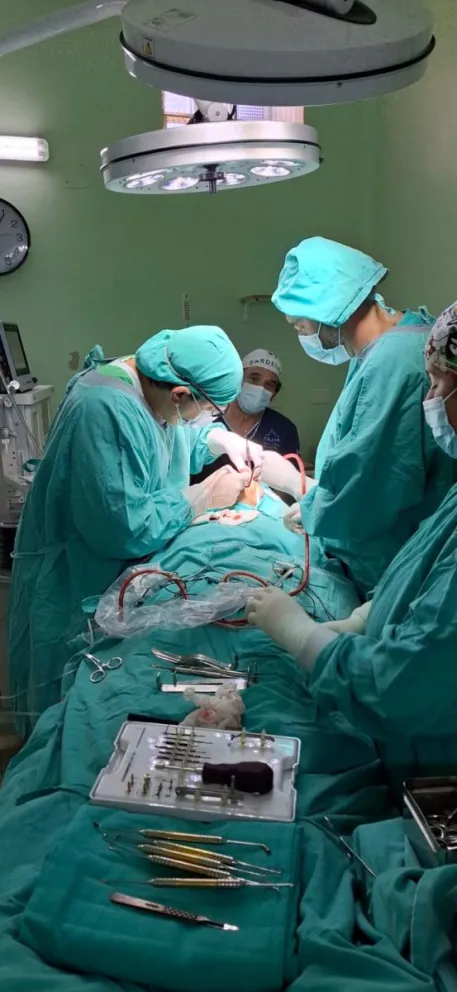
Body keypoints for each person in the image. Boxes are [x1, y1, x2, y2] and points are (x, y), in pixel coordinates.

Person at [246, 300, 457, 793]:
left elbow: (404, 687)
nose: (431, 397)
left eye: (441, 383)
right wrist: (367, 616)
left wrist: (301, 634)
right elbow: (420, 567)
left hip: (434, 772)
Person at [8, 325, 263, 729]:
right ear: (180, 394)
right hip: (77, 576)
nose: (207, 420)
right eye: (212, 412)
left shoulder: (155, 380)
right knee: (68, 705)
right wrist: (200, 498)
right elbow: (122, 527)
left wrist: (220, 441)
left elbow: (178, 438)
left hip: (116, 571)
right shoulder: (103, 408)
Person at [272, 236, 453, 597]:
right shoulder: (402, 340)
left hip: (388, 570)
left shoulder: (393, 366)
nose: (301, 336)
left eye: (299, 326)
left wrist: (308, 501)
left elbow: (373, 488)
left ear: (328, 312)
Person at [191, 348, 300, 484]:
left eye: (269, 384)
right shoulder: (205, 418)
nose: (261, 388)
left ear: (274, 393)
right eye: (254, 379)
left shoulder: (284, 429)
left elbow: (288, 482)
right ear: (238, 380)